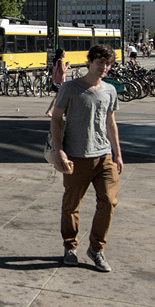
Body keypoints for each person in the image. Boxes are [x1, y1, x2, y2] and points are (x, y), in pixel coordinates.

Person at [50, 44, 122, 273]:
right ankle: (70, 246)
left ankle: (96, 249)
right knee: (71, 205)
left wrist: (117, 153)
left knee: (109, 202)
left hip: (104, 156)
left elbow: (111, 122)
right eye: (100, 62)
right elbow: (56, 118)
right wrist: (59, 149)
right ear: (89, 61)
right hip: (77, 156)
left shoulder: (110, 90)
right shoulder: (71, 88)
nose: (104, 67)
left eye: (108, 63)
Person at [45, 49, 68, 119]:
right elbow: (62, 71)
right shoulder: (60, 61)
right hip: (60, 82)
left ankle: (65, 112)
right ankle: (49, 111)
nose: (65, 54)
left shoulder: (55, 61)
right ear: (61, 54)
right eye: (64, 53)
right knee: (58, 97)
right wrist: (67, 66)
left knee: (61, 97)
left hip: (56, 81)